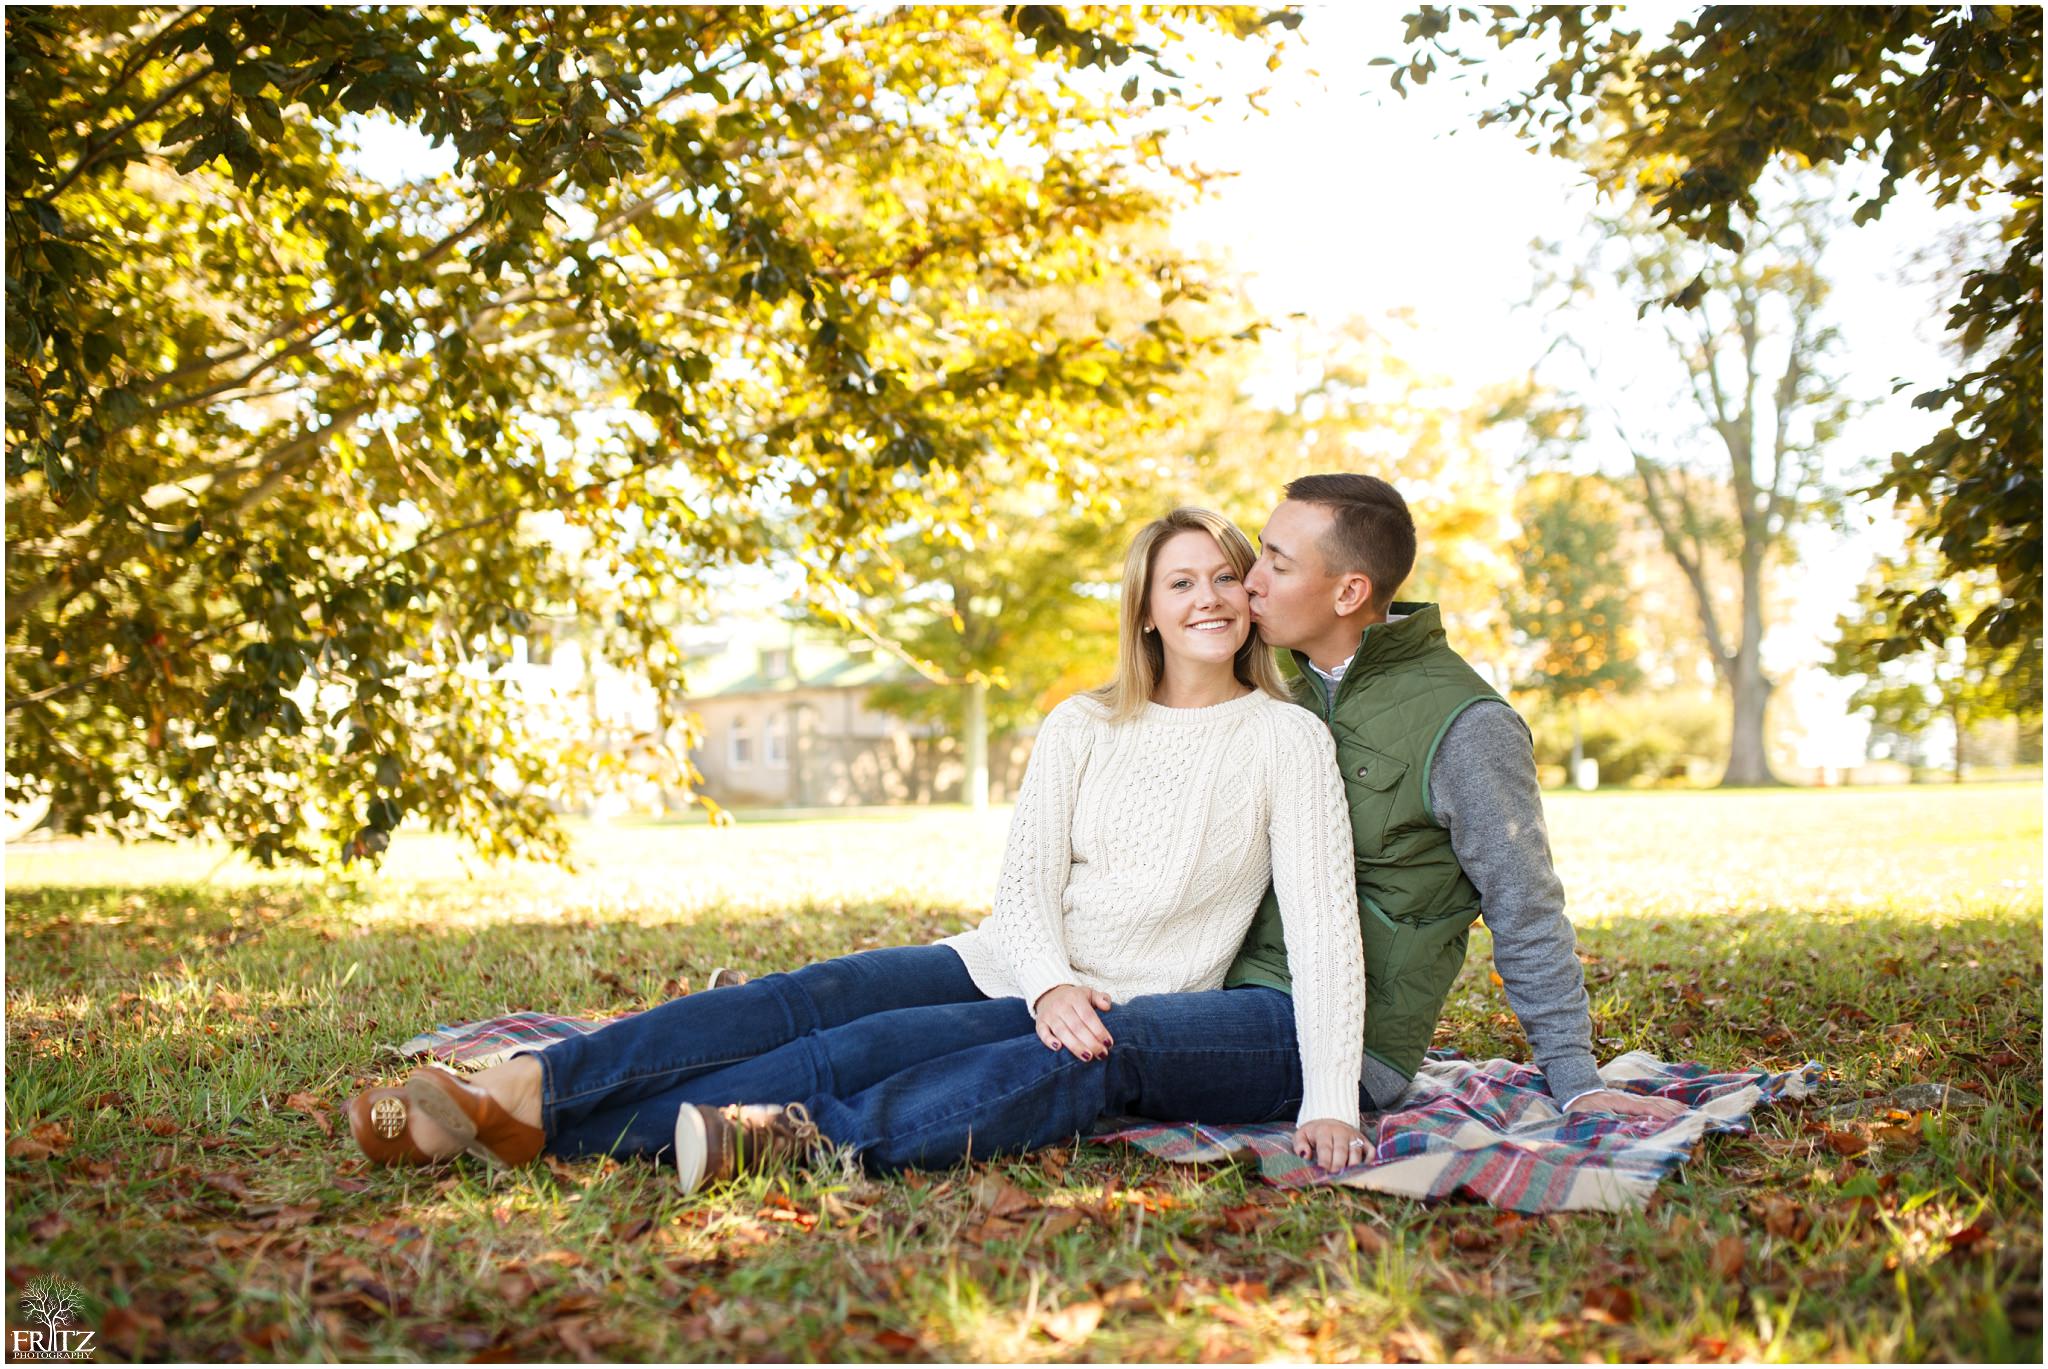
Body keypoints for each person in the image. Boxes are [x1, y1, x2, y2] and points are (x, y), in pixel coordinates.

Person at [652, 473, 1685, 1190]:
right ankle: (583, 1103)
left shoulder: (1461, 727)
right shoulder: (1291, 693)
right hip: (1209, 987)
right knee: (869, 1014)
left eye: (1265, 564)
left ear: (1347, 589)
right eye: (1232, 567)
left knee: (1091, 1042)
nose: (1242, 585)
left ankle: (801, 1143)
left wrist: (1576, 1081)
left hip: (1323, 1029)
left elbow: (1523, 908)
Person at [347, 508, 1371, 1184]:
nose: (1208, 598)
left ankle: (515, 1119)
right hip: (1008, 963)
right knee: (793, 998)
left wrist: (1329, 1093)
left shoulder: (1284, 739)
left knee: (835, 1055)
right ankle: (528, 1087)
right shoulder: (1083, 723)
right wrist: (1047, 978)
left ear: (1250, 599)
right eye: (1179, 581)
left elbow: (1325, 928)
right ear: (1144, 611)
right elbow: (1022, 890)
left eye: (1226, 578)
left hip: (1120, 1003)